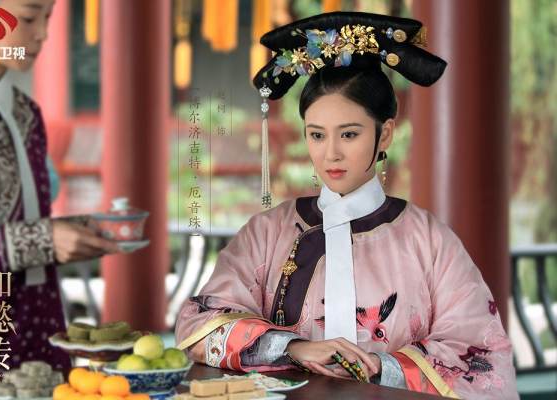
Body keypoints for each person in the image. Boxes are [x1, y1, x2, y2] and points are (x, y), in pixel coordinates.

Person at [175, 12, 518, 399]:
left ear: (384, 134)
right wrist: (293, 347)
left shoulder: (429, 240)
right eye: (317, 135)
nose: (331, 154)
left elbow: (481, 354)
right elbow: (198, 324)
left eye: (350, 134)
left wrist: (380, 367)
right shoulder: (266, 232)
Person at [0, 0, 119, 374]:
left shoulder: (25, 114)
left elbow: (24, 222)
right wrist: (42, 239)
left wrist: (72, 234)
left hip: (35, 322)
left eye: (48, 18)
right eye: (29, 17)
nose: (43, 34)